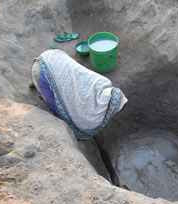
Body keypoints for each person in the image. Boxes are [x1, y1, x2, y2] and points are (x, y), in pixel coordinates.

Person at [30, 49, 127, 187]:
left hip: (51, 57)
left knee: (65, 82)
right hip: (42, 74)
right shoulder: (86, 116)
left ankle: (39, 82)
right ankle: (39, 85)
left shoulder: (101, 83)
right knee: (58, 108)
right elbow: (82, 125)